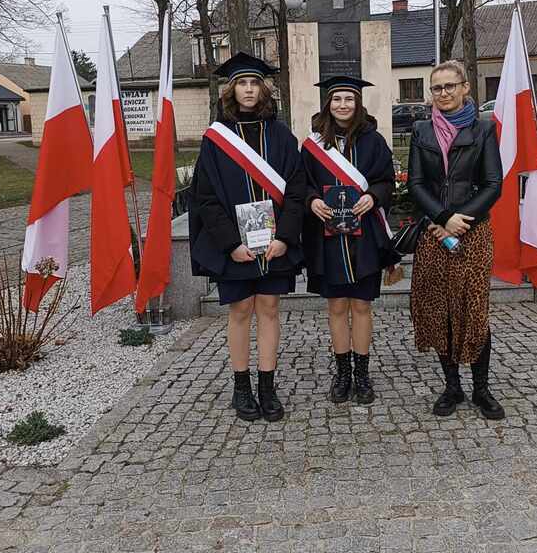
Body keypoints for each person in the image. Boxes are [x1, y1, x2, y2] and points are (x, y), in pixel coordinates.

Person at [189, 52, 305, 423]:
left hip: (275, 246)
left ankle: (267, 386)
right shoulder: (215, 139)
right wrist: (230, 244)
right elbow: (205, 198)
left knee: (269, 309)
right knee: (240, 311)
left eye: (255, 82)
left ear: (265, 89)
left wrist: (285, 237)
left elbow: (298, 191)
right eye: (242, 83)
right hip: (236, 245)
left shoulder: (282, 136)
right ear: (232, 89)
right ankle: (242, 388)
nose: (249, 89)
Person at [407, 60, 504, 419]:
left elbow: (494, 183)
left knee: (474, 309)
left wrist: (462, 219)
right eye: (437, 88)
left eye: (450, 86)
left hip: (474, 232)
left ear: (465, 88)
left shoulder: (483, 130)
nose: (443, 93)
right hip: (434, 232)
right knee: (440, 309)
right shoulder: (421, 131)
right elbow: (415, 184)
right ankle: (452, 387)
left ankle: (482, 389)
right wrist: (442, 218)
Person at [301, 76, 396, 404]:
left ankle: (362, 373)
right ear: (328, 103)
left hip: (364, 237)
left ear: (358, 103)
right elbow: (303, 182)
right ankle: (342, 373)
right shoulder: (313, 145)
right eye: (337, 99)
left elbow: (387, 180)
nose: (343, 105)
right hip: (327, 237)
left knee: (362, 306)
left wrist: (374, 195)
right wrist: (312, 199)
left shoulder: (374, 141)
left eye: (349, 99)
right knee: (337, 306)